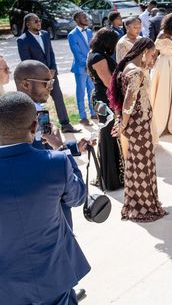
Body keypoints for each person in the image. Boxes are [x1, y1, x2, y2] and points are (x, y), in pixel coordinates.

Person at [0, 92, 91, 305]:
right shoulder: (56, 162)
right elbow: (78, 198)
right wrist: (62, 149)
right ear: (34, 127)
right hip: (56, 273)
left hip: (8, 287)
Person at [108, 38, 167, 222]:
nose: (151, 59)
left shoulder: (126, 67)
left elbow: (121, 99)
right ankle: (144, 206)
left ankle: (138, 202)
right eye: (151, 55)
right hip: (139, 125)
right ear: (144, 52)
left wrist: (121, 121)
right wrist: (123, 124)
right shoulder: (136, 72)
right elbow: (128, 101)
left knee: (135, 164)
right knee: (143, 165)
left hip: (135, 124)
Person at [17, 13, 78, 132]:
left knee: (58, 98)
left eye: (39, 20)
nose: (39, 22)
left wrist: (53, 69)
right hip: (36, 79)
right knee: (39, 103)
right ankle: (42, 130)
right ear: (28, 24)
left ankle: (65, 125)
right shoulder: (22, 40)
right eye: (35, 21)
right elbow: (27, 62)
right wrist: (41, 74)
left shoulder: (45, 34)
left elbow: (51, 53)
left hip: (51, 75)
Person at [87, 28, 124, 190]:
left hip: (104, 98)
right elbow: (108, 81)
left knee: (111, 134)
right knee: (108, 135)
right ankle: (110, 179)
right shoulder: (97, 57)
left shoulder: (97, 54)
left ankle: (114, 175)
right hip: (104, 101)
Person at [68, 11, 95, 125]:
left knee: (92, 90)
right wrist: (86, 64)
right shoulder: (72, 35)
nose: (86, 18)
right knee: (81, 92)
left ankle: (94, 113)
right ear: (77, 20)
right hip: (80, 68)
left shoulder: (89, 31)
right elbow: (77, 53)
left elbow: (93, 48)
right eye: (84, 17)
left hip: (90, 66)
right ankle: (83, 116)